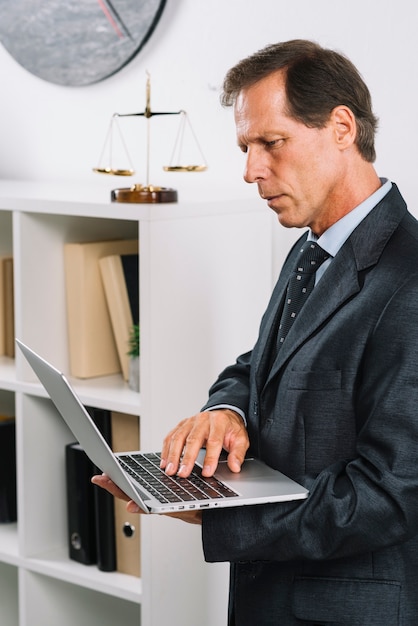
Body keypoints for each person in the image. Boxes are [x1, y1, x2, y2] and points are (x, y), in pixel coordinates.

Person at [93, 39, 418, 625]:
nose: (251, 171)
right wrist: (228, 412)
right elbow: (261, 363)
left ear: (342, 127)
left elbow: (388, 497)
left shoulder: (410, 280)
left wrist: (217, 513)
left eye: (272, 143)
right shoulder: (311, 247)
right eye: (246, 147)